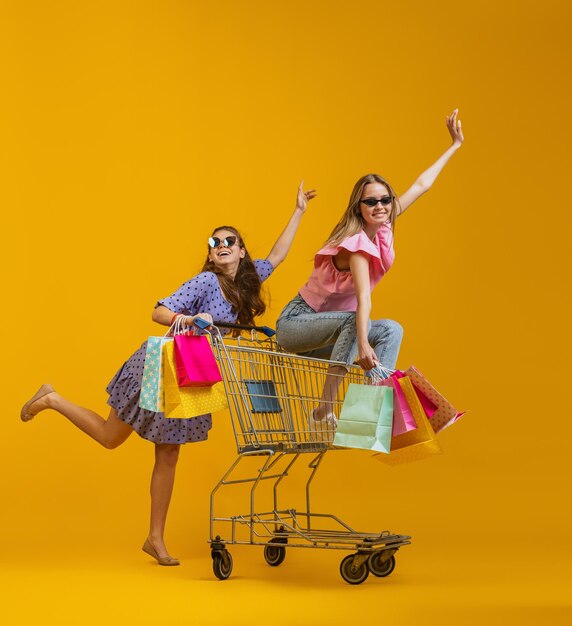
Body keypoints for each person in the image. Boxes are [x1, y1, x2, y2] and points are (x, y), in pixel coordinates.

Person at [20, 182, 316, 566]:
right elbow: (159, 311)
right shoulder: (206, 281)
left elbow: (278, 255)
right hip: (163, 365)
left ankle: (154, 538)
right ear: (211, 254)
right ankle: (53, 398)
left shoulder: (247, 282)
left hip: (195, 374)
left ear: (242, 252)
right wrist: (190, 318)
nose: (221, 244)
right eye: (215, 242)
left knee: (169, 454)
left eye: (230, 240)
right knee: (111, 438)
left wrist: (298, 211)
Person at [276, 110, 464, 435]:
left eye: (385, 200)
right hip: (297, 325)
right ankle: (323, 410)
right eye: (371, 202)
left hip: (334, 334)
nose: (380, 206)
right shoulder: (356, 244)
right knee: (356, 321)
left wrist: (455, 144)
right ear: (358, 208)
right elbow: (363, 298)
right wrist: (363, 344)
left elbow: (422, 185)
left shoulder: (386, 226)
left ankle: (368, 414)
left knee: (392, 329)